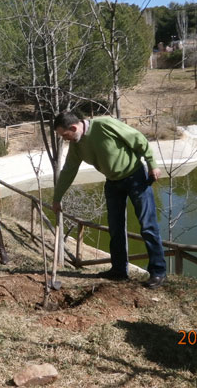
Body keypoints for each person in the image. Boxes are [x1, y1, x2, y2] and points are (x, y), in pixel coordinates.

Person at [51, 112, 167, 289]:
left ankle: (158, 272)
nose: (65, 139)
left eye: (65, 135)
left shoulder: (104, 125)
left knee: (147, 225)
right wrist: (57, 198)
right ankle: (119, 270)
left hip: (135, 177)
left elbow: (138, 139)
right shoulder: (77, 145)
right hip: (113, 183)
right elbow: (68, 170)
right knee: (115, 228)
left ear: (73, 128)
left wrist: (152, 163)